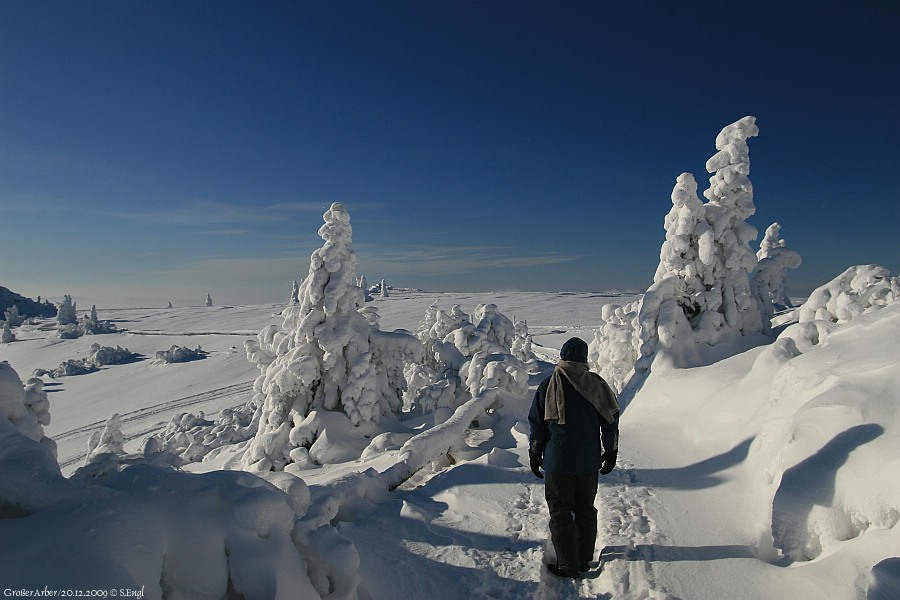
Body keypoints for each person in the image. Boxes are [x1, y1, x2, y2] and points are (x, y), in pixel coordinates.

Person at [528, 336, 619, 578]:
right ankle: (583, 559)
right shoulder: (597, 384)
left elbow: (537, 423)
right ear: (584, 358)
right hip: (588, 462)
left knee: (560, 512)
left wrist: (535, 452)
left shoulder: (549, 384)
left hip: (558, 462)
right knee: (585, 509)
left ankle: (568, 564)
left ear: (563, 356)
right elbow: (610, 422)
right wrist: (611, 451)